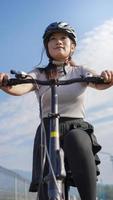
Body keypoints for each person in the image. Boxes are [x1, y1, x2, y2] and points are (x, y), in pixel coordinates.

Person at [0, 21, 113, 200]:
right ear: (47, 47)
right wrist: (5, 83)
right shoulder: (39, 74)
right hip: (48, 130)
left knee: (77, 139)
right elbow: (21, 86)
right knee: (46, 189)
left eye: (63, 38)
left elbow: (97, 82)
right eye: (53, 39)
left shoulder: (80, 71)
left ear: (72, 46)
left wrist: (107, 78)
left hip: (75, 126)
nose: (58, 41)